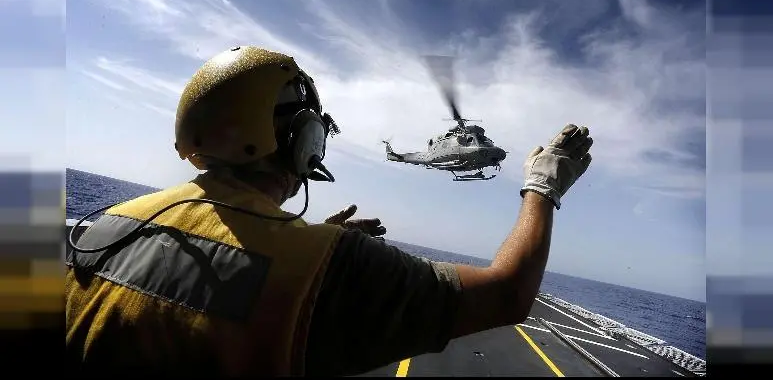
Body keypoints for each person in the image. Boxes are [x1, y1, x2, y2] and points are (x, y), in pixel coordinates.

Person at [65, 46, 593, 377]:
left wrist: (302, 238)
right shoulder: (324, 263)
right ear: (301, 140)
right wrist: (542, 185)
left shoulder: (109, 225)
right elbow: (507, 294)